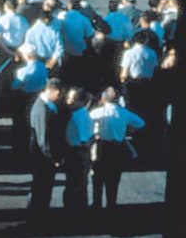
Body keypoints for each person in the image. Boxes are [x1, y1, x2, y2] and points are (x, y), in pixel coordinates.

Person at [90, 86, 144, 211]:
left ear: (104, 98)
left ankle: (96, 204)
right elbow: (141, 123)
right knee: (113, 178)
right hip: (117, 147)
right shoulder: (124, 113)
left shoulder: (98, 112)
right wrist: (129, 130)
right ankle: (111, 204)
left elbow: (89, 123)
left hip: (101, 147)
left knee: (97, 178)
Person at [27, 78, 63, 223]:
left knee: (42, 186)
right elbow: (43, 139)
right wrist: (53, 158)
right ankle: (39, 216)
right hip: (43, 158)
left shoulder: (45, 105)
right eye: (58, 93)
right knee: (42, 186)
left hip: (42, 156)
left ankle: (39, 213)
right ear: (51, 90)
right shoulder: (42, 109)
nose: (59, 96)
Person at [63, 87, 92, 215]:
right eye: (68, 97)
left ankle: (77, 211)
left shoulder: (81, 115)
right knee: (73, 183)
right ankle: (74, 209)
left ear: (80, 101)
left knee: (77, 183)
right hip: (73, 151)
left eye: (72, 98)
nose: (68, 101)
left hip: (78, 152)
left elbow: (84, 138)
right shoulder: (73, 113)